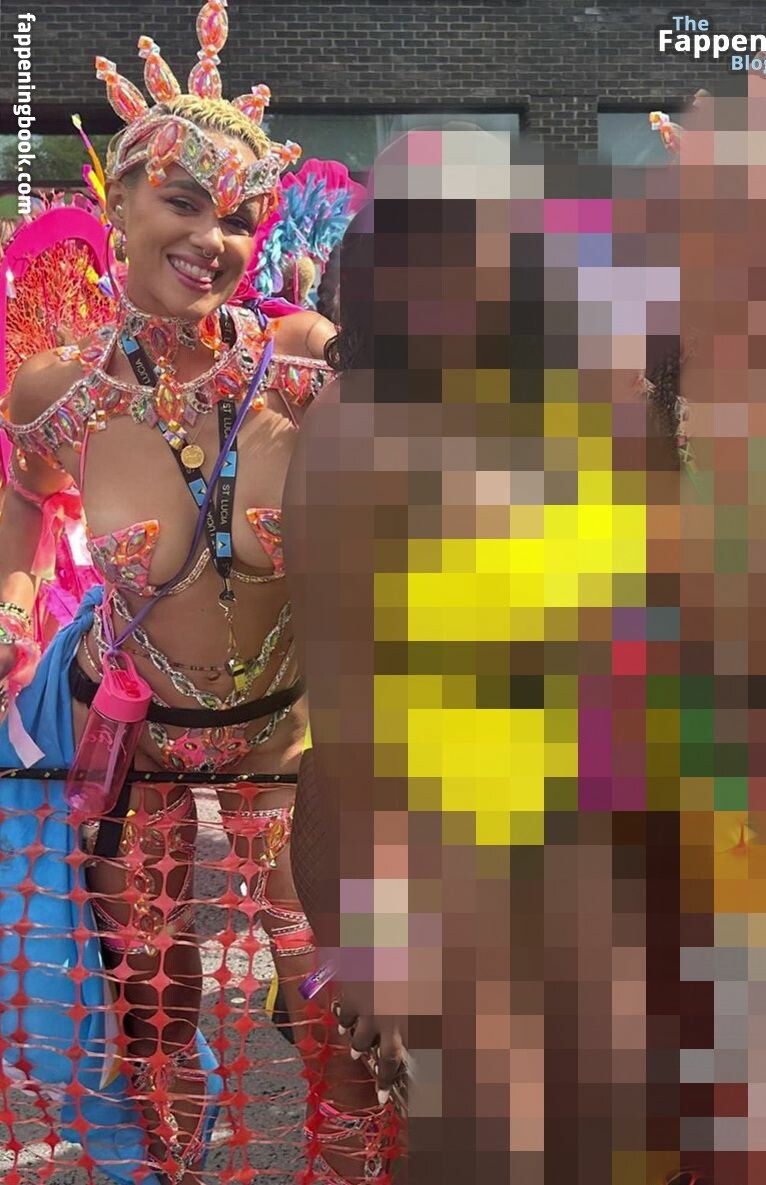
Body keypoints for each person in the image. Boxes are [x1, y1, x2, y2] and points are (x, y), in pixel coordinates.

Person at [0, 4, 391, 1184]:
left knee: (331, 1007)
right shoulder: (57, 393)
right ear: (118, 202)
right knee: (152, 1013)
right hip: (140, 752)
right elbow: (23, 495)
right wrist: (16, 596)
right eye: (184, 202)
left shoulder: (303, 367)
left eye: (239, 218)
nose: (213, 240)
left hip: (290, 748)